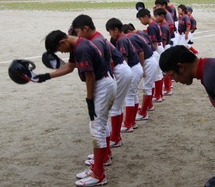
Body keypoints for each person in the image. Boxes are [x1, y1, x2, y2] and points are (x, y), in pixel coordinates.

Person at [35, 30, 117, 186]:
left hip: (102, 85)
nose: (62, 52)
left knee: (96, 128)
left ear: (62, 42)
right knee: (100, 125)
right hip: (105, 82)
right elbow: (69, 67)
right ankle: (102, 161)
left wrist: (89, 99)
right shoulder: (77, 45)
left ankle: (99, 175)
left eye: (60, 50)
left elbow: (90, 76)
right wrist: (46, 76)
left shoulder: (81, 48)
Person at [71, 14, 132, 149]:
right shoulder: (96, 37)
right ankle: (115, 139)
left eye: (78, 32)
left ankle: (114, 140)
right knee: (115, 107)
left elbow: (103, 63)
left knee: (109, 112)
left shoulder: (95, 41)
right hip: (121, 69)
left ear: (85, 28)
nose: (78, 36)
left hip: (119, 70)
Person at [106, 18, 143, 133]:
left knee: (129, 97)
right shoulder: (124, 38)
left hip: (132, 68)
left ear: (116, 30)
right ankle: (132, 122)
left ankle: (127, 124)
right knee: (133, 94)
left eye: (110, 31)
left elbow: (124, 59)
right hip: (136, 67)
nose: (110, 34)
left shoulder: (121, 40)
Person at [136, 9, 164, 103]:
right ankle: (159, 95)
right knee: (158, 74)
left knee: (156, 75)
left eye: (141, 19)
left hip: (156, 49)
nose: (141, 22)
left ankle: (157, 96)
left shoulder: (151, 26)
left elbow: (154, 42)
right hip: (160, 47)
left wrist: (153, 52)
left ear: (146, 17)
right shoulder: (154, 23)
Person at [154, 8, 173, 96]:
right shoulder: (164, 24)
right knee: (165, 69)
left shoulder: (163, 26)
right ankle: (167, 87)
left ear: (162, 16)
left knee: (164, 70)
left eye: (156, 16)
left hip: (165, 47)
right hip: (166, 46)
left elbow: (164, 40)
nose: (155, 17)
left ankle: (168, 88)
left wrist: (162, 50)